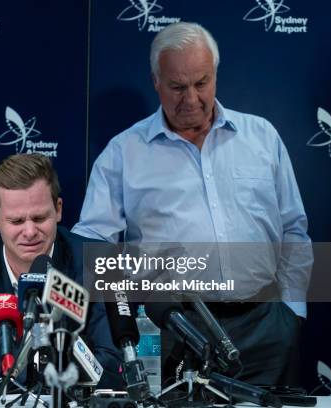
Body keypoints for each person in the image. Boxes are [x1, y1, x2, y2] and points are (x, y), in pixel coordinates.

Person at [72, 22, 312, 386]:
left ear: (215, 74)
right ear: (156, 81)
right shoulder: (123, 154)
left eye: (201, 83)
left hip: (267, 328)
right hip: (176, 334)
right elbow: (92, 246)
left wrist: (292, 312)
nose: (192, 98)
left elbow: (293, 228)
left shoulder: (262, 137)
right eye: (177, 87)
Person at [0, 153, 123, 388]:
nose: (30, 232)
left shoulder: (101, 262)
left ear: (58, 209)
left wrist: (1, 358)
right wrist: (48, 363)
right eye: (17, 221)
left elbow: (112, 368)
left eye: (39, 218)